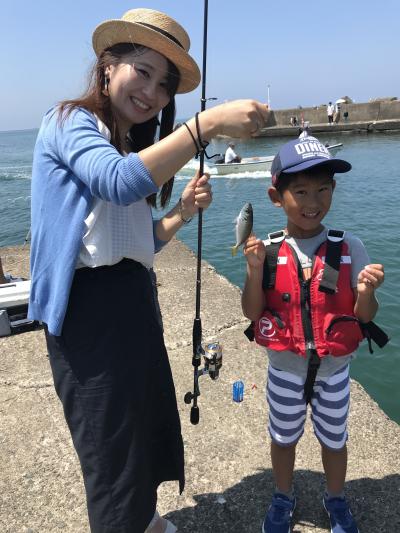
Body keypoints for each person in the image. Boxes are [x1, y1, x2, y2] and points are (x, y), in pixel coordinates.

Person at [28, 8, 269, 533]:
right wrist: (204, 126)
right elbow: (116, 183)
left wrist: (180, 212)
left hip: (134, 300)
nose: (154, 93)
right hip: (88, 313)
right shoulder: (69, 121)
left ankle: (143, 519)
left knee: (140, 426)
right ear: (107, 66)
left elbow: (138, 244)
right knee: (107, 444)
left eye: (165, 85)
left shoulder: (129, 147)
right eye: (143, 71)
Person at [242, 136, 386, 533]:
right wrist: (254, 271)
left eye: (323, 189)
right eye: (300, 191)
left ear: (334, 190)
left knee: (335, 441)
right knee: (283, 439)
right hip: (284, 370)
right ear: (277, 196)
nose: (313, 201)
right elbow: (253, 314)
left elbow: (365, 315)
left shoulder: (349, 246)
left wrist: (367, 292)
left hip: (335, 371)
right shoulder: (267, 251)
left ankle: (335, 497)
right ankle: (282, 496)